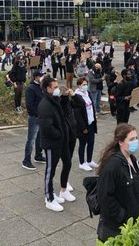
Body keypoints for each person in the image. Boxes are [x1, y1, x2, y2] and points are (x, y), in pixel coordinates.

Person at [95, 124, 139, 241]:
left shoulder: (133, 160)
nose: (136, 141)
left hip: (133, 225)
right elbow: (104, 197)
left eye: (136, 138)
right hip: (117, 230)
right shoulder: (112, 165)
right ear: (120, 142)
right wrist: (122, 216)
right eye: (131, 139)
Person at [37, 76, 76, 212]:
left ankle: (63, 190)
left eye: (57, 87)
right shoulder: (45, 105)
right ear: (47, 89)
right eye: (54, 88)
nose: (57, 89)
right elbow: (46, 127)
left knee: (68, 163)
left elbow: (64, 112)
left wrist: (65, 98)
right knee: (50, 170)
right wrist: (59, 134)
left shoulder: (55, 100)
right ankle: (49, 198)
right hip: (52, 143)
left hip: (62, 141)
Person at [72, 78, 98, 171]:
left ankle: (89, 160)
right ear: (79, 86)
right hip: (83, 125)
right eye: (83, 84)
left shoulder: (88, 93)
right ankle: (82, 162)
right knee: (83, 143)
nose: (85, 86)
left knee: (91, 142)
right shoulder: (77, 97)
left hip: (91, 122)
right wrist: (83, 127)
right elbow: (77, 116)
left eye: (86, 84)